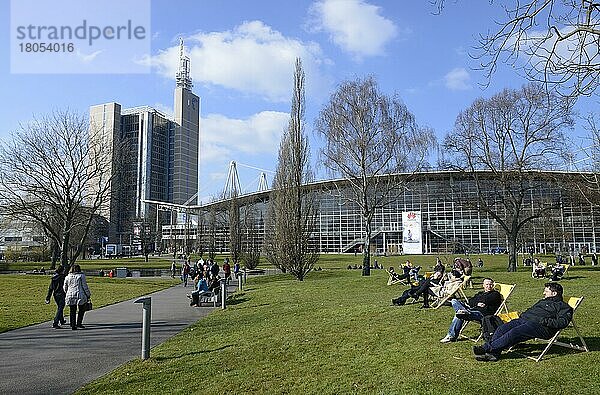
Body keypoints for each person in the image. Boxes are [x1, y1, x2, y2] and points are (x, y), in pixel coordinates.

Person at [473, 282, 573, 362]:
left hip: (542, 327)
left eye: (546, 291)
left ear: (554, 293)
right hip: (525, 319)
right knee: (502, 328)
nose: (543, 293)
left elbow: (562, 323)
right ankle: (494, 354)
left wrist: (542, 320)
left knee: (515, 332)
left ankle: (486, 348)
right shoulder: (542, 301)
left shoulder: (564, 307)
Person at [440, 278, 502, 343]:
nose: (489, 286)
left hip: (482, 314)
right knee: (454, 301)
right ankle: (462, 311)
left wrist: (477, 301)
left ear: (493, 285)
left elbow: (486, 300)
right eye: (487, 284)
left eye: (490, 284)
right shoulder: (480, 293)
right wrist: (477, 303)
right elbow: (470, 301)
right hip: (471, 310)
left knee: (459, 315)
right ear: (483, 285)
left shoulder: (495, 294)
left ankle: (451, 336)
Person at [63, 264, 91, 330]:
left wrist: (67, 292)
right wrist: (88, 294)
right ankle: (79, 323)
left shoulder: (67, 277)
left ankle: (73, 324)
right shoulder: (81, 276)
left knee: (72, 310)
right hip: (80, 294)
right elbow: (84, 286)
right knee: (81, 310)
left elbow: (65, 287)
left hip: (70, 295)